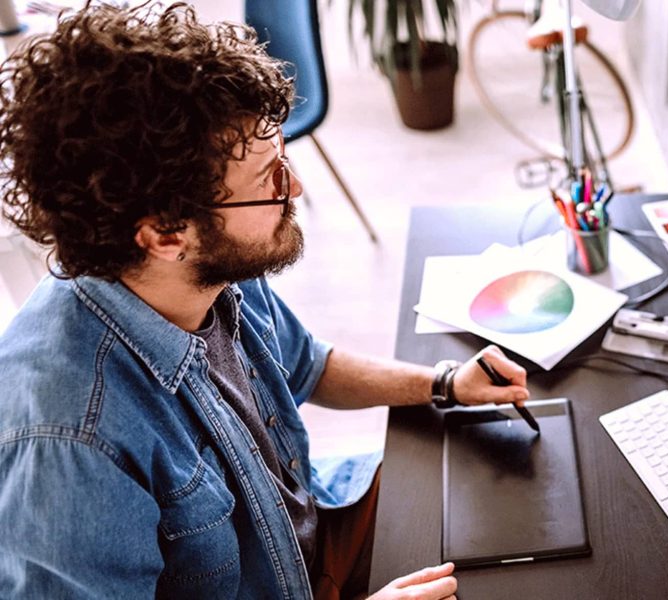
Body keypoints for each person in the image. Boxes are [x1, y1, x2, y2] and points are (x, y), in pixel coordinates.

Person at [0, 3, 529, 598]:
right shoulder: (69, 440)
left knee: (505, 508)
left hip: (308, 534)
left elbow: (308, 364)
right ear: (166, 234)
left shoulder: (211, 265)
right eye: (270, 179)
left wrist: (446, 383)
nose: (295, 188)